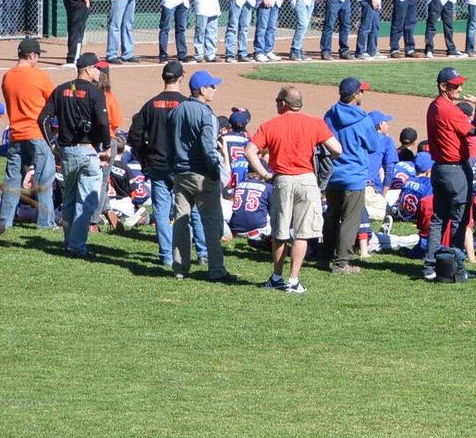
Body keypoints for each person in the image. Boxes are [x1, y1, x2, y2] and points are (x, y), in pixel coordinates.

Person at [244, 85, 340, 293]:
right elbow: (337, 149)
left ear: (284, 103)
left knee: (280, 232)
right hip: (307, 180)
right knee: (302, 233)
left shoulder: (270, 125)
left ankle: (277, 276)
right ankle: (293, 280)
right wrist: (322, 161)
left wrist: (264, 173)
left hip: (282, 180)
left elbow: (249, 151)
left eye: (278, 100)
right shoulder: (315, 123)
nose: (276, 103)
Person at [126, 61, 198, 272]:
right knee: (188, 210)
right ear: (181, 77)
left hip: (157, 165)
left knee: (161, 210)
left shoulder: (151, 104)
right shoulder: (187, 105)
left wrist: (144, 156)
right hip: (182, 166)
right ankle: (200, 252)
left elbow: (134, 135)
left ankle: (166, 255)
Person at [165, 71, 234, 282]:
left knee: (180, 222)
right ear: (202, 89)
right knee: (212, 224)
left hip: (181, 174)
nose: (215, 89)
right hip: (202, 175)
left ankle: (179, 268)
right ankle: (216, 270)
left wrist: (173, 170)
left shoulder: (176, 112)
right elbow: (208, 148)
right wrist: (214, 172)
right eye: (212, 86)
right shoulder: (206, 114)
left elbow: (169, 146)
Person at [45, 52, 112, 256]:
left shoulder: (62, 89)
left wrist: (52, 145)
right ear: (87, 69)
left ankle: (68, 241)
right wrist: (107, 146)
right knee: (86, 201)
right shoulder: (95, 92)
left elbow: (43, 119)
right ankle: (77, 246)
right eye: (97, 68)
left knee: (70, 198)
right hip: (87, 151)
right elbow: (102, 122)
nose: (99, 72)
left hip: (66, 152)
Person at [423, 66, 476, 282]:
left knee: (439, 218)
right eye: (454, 85)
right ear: (443, 86)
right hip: (455, 170)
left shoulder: (434, 106)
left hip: (439, 168)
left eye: (459, 84)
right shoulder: (450, 110)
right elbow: (475, 130)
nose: (459, 88)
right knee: (459, 219)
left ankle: (430, 266)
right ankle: (456, 267)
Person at [323, 76, 387, 275]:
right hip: (354, 175)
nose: (363, 94)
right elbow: (374, 146)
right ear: (355, 95)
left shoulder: (329, 115)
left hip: (333, 173)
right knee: (350, 220)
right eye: (362, 91)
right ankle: (341, 263)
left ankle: (324, 256)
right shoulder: (363, 119)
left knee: (332, 216)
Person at [0, 37, 56, 233]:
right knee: (44, 179)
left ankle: (5, 221)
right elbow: (54, 102)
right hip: (37, 133)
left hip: (15, 133)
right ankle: (45, 222)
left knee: (12, 180)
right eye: (37, 56)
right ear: (32, 55)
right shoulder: (40, 76)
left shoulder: (8, 76)